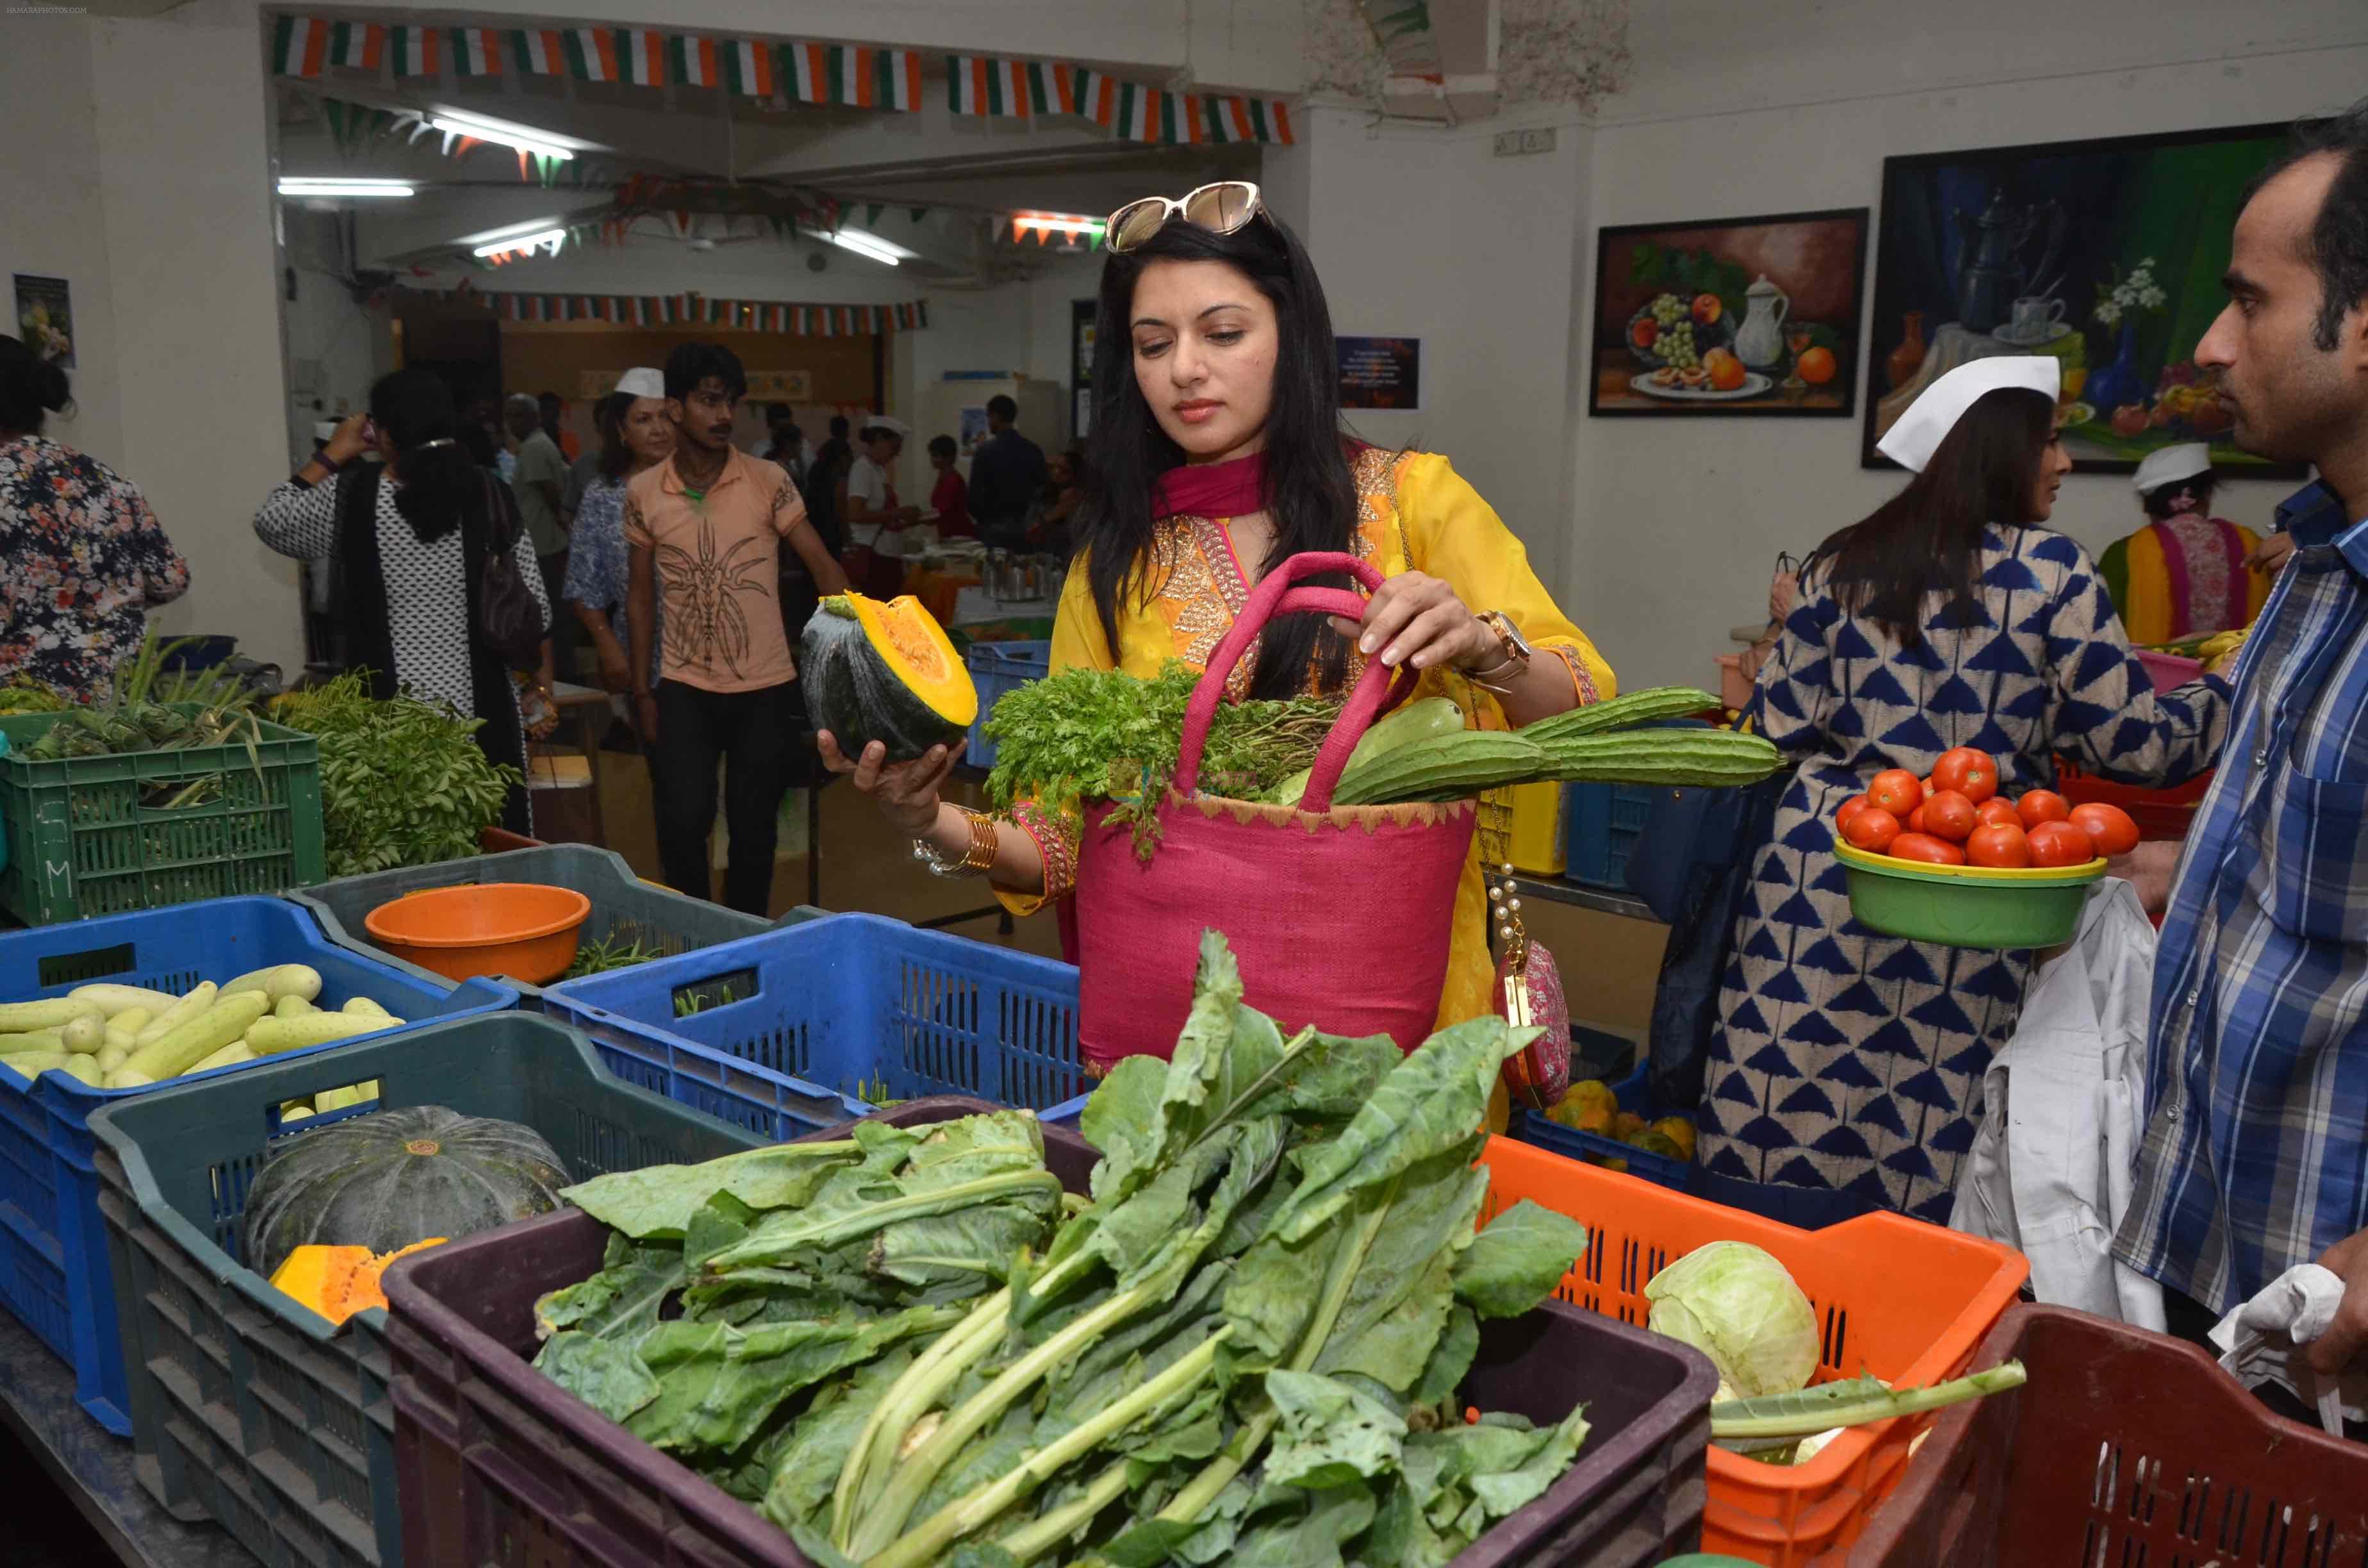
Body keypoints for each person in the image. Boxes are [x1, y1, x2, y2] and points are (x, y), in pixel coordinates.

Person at [821, 180, 1613, 1045]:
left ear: (1292, 338)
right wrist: (925, 819)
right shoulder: (1113, 568)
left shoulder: (1415, 503)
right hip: (1194, 1028)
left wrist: (1481, 647)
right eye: (1152, 345)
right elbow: (1055, 848)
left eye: (1224, 333)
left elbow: (1587, 711)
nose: (1184, 370)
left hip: (1406, 1015)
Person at [1700, 357, 2232, 1221]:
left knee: (1783, 1117)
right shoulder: (2054, 575)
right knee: (1928, 1136)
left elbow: (1773, 733)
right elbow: (2137, 748)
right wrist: (2234, 685)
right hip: (1969, 885)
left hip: (1827, 876)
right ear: (1999, 449)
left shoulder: (1843, 561)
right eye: (2052, 441)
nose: (2064, 463)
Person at [2111, 101, 2368, 1388]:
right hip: (2223, 1246)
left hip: (2338, 1311)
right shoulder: (2317, 568)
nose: (2212, 345)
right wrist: (2162, 877)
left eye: (2251, 302)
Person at [255, 368, 553, 833]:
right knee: (488, 836)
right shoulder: (490, 491)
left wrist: (334, 452)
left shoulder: (353, 493)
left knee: (403, 842)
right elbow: (537, 606)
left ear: (385, 433)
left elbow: (273, 522)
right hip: (484, 707)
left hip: (384, 708)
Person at [625, 341, 850, 913]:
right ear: (674, 408)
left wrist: (858, 653)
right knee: (682, 821)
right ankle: (693, 937)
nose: (724, 415)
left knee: (755, 833)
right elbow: (640, 596)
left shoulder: (767, 480)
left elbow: (824, 569)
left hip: (765, 689)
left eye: (730, 403)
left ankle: (744, 942)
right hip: (682, 688)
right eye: (708, 402)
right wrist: (641, 691)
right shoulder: (643, 493)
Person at [0, 336, 189, 703]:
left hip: (24, 711)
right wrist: (94, 602)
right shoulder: (105, 479)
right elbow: (170, 579)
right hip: (122, 704)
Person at [2098, 443, 2271, 642]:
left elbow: (2102, 631)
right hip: (2237, 670)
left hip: (2154, 672)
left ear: (2149, 505)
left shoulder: (2123, 553)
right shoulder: (2252, 543)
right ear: (2207, 494)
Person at [563, 376, 667, 703]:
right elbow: (582, 584)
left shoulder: (701, 489)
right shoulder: (603, 495)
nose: (658, 429)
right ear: (622, 431)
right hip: (637, 653)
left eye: (666, 417)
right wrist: (608, 647)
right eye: (643, 420)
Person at [843, 416, 923, 598]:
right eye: (894, 448)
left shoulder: (878, 470)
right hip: (874, 556)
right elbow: (855, 514)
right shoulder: (862, 469)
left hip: (888, 553)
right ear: (879, 440)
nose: (897, 454)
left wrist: (907, 519)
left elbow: (884, 516)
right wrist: (898, 513)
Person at [969, 392, 1048, 549]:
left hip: (993, 529)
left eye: (989, 416)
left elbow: (974, 499)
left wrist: (983, 519)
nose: (989, 422)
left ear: (996, 416)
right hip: (1026, 529)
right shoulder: (1033, 450)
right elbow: (1044, 492)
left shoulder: (985, 452)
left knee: (994, 572)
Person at [1030, 444, 1088, 556]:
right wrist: (1057, 512)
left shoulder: (1083, 501)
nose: (1056, 473)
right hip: (1042, 557)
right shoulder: (1043, 494)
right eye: (1055, 467)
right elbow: (1031, 533)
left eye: (1064, 471)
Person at [926, 434, 973, 538]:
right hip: (947, 536)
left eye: (936, 456)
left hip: (960, 537)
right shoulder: (942, 477)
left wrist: (915, 519)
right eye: (932, 455)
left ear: (949, 457)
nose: (932, 460)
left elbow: (941, 513)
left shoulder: (953, 480)